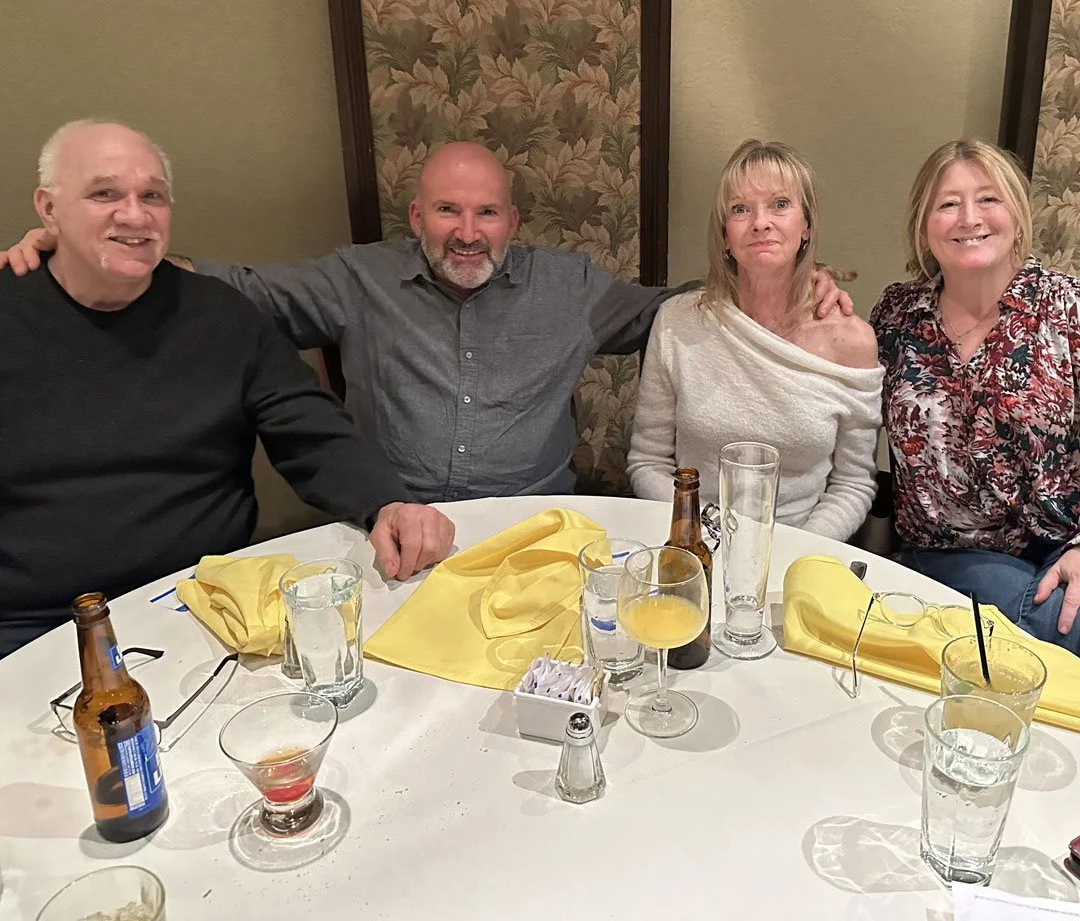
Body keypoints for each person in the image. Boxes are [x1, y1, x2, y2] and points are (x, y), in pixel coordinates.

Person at [1, 141, 852, 503]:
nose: (468, 232)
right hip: (394, 526)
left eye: (487, 213)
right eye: (448, 210)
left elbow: (691, 310)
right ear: (417, 214)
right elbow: (242, 289)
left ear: (513, 221)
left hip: (537, 526)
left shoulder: (573, 288)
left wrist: (798, 288)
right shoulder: (354, 278)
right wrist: (99, 248)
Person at [0, 120, 453, 657]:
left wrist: (386, 503)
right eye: (104, 193)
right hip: (33, 627)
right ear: (48, 209)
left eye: (153, 196)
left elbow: (311, 429)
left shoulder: (222, 315)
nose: (134, 214)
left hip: (204, 603)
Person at [871, 139, 1080, 653]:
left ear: (1017, 212)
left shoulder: (1066, 309)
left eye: (988, 199)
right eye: (947, 204)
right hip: (944, 560)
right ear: (925, 224)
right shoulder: (896, 316)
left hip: (1059, 551)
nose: (969, 218)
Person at [628, 139, 882, 541]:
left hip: (803, 548)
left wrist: (795, 552)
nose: (760, 222)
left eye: (780, 204)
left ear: (806, 227)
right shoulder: (678, 321)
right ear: (726, 236)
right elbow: (647, 462)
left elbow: (853, 484)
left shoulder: (852, 342)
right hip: (693, 541)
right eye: (741, 209)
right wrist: (702, 533)